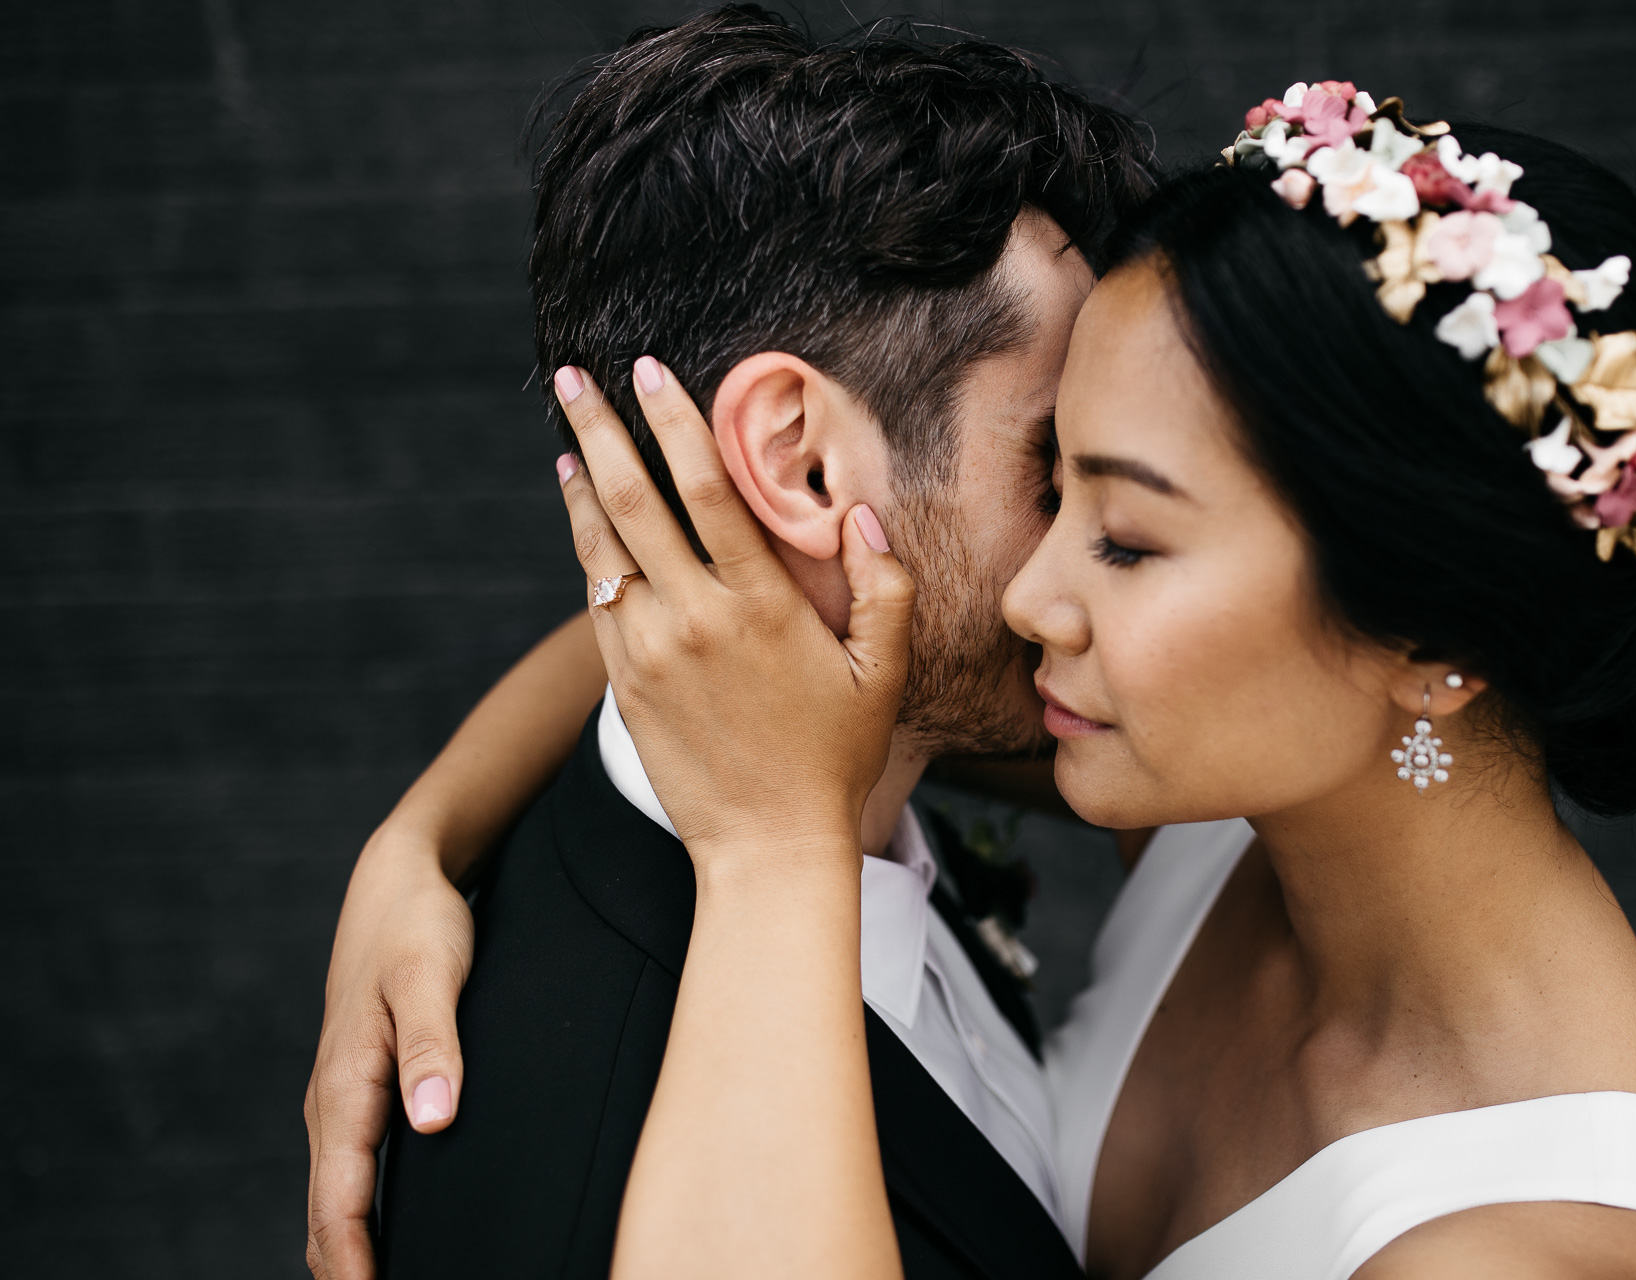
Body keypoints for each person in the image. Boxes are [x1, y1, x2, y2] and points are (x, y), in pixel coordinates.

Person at [543, 85, 1636, 1279]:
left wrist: (770, 848)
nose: (1032, 597)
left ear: (1429, 633)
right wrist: (426, 831)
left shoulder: (1546, 1251)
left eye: (1129, 540)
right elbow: (761, 663)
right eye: (1054, 480)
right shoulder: (1235, 806)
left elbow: (771, 728)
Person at [300, 8, 1154, 1279]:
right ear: (800, 463)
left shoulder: (882, 742)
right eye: (1053, 465)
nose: (1106, 547)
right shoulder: (590, 1162)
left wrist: (416, 829)